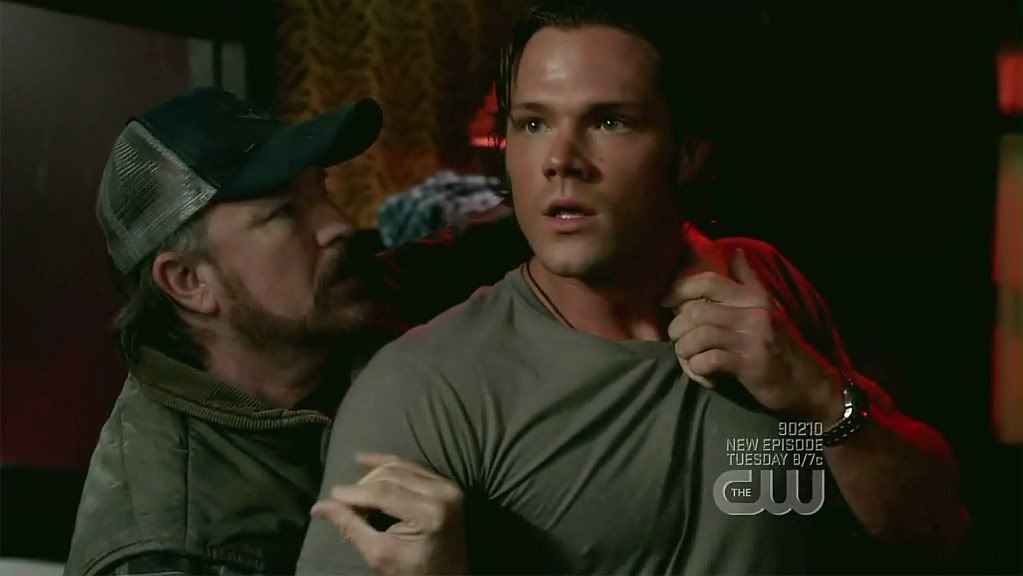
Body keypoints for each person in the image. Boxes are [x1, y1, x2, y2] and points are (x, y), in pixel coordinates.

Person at [298, 2, 969, 574]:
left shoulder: (762, 283)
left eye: (609, 121)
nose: (561, 160)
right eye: (532, 123)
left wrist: (816, 393)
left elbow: (937, 528)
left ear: (686, 153)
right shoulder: (424, 389)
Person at [65, 88, 529, 575]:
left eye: (321, 191)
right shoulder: (172, 551)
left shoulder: (338, 305)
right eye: (284, 212)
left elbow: (469, 254)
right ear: (188, 281)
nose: (339, 225)